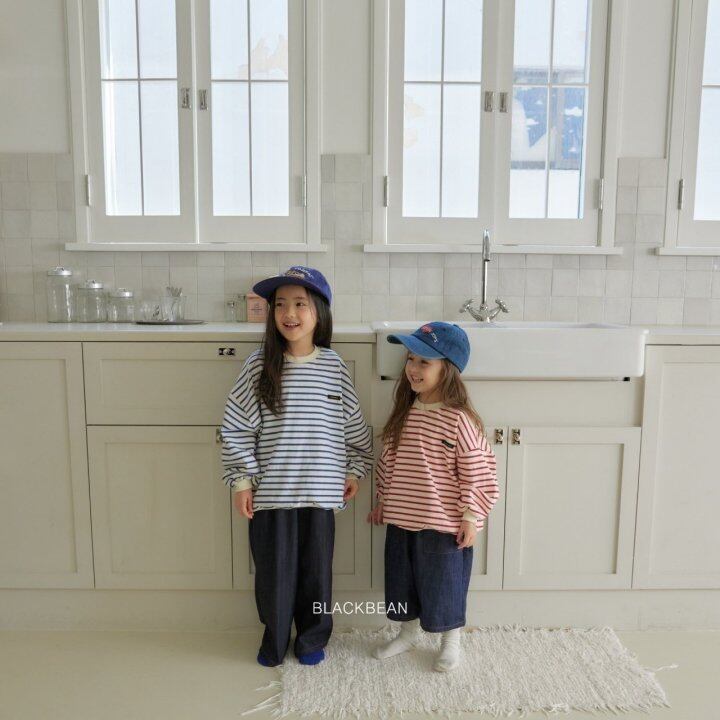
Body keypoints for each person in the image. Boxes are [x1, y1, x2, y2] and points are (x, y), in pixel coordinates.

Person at [221, 266, 373, 667]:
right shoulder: (259, 365)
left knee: (315, 575)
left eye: (300, 304)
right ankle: (274, 640)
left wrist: (354, 469)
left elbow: (353, 424)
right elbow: (236, 426)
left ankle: (311, 640)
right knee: (274, 576)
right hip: (272, 495)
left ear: (319, 312)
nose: (289, 313)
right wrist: (241, 480)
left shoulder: (334, 366)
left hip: (321, 493)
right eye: (280, 305)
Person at [367, 321, 499, 672]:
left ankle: (451, 641)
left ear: (448, 369)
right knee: (402, 581)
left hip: (442, 525)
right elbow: (388, 461)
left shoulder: (459, 421)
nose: (413, 368)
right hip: (401, 518)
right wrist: (382, 501)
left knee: (444, 586)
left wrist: (471, 517)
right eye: (410, 359)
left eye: (424, 361)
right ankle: (407, 633)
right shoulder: (405, 413)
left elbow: (479, 472)